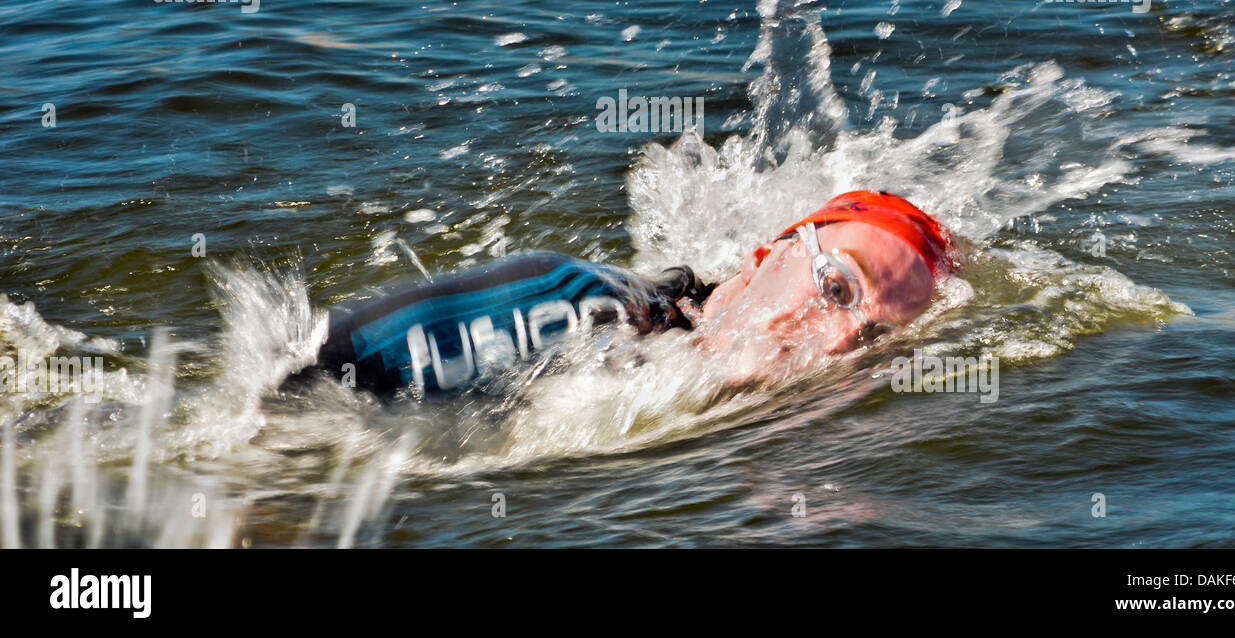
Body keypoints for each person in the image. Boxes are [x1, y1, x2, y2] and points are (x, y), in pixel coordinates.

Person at [301, 190, 957, 396]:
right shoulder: (575, 307)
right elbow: (305, 383)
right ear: (771, 253)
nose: (841, 337)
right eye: (837, 288)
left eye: (872, 336)